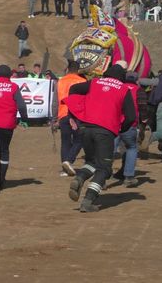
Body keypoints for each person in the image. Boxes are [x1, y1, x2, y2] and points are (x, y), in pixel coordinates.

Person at [66, 64, 136, 212]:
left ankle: (79, 178)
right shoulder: (124, 89)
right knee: (104, 168)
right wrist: (120, 128)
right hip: (105, 131)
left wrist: (75, 112)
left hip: (85, 128)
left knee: (91, 161)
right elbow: (131, 116)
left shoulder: (95, 82)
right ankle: (88, 200)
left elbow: (73, 89)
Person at [113, 71, 148, 186]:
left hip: (114, 123)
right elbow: (142, 107)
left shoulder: (117, 88)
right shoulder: (139, 90)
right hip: (130, 124)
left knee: (109, 150)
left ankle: (102, 176)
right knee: (131, 148)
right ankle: (128, 176)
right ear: (136, 80)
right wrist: (144, 120)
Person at [56, 61, 86, 176]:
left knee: (65, 141)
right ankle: (69, 160)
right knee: (79, 139)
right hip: (77, 114)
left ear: (68, 68)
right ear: (78, 70)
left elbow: (55, 100)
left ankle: (65, 169)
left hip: (63, 113)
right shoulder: (83, 81)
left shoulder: (61, 81)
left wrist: (54, 117)